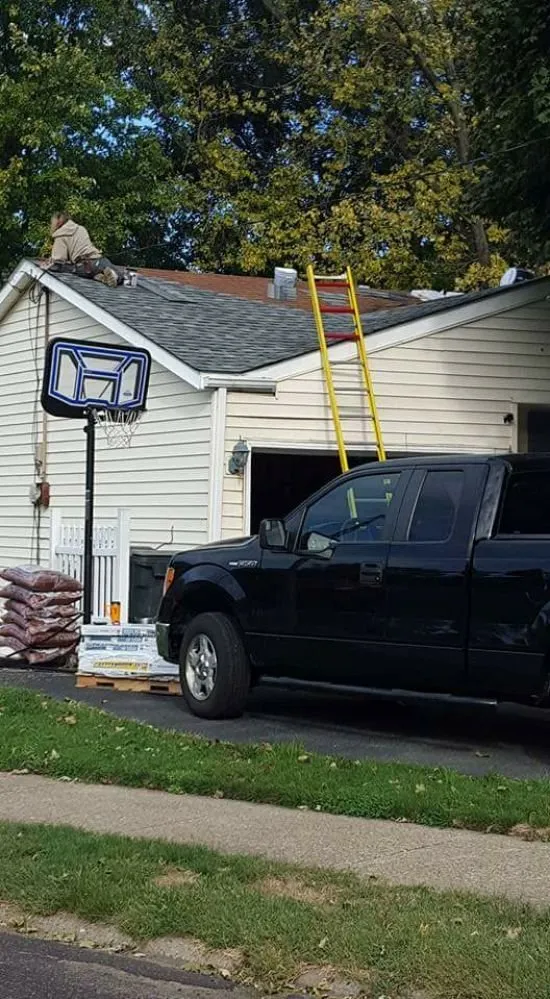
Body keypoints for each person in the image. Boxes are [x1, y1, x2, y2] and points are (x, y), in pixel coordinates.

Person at [48, 212, 122, 288]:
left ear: (57, 222)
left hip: (83, 266)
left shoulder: (60, 235)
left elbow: (58, 261)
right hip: (98, 260)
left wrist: (48, 265)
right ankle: (111, 276)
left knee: (77, 270)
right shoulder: (81, 229)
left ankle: (101, 277)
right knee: (120, 276)